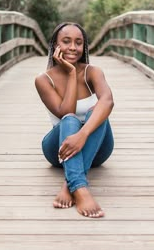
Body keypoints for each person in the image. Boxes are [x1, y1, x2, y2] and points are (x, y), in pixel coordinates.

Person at [35, 22, 114, 218]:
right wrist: (71, 73)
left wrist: (83, 134)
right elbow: (65, 112)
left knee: (99, 110)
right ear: (55, 45)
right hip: (59, 150)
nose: (73, 47)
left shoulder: (93, 72)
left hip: (97, 149)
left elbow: (108, 101)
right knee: (69, 119)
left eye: (79, 43)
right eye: (66, 41)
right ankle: (80, 188)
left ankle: (69, 183)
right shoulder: (43, 80)